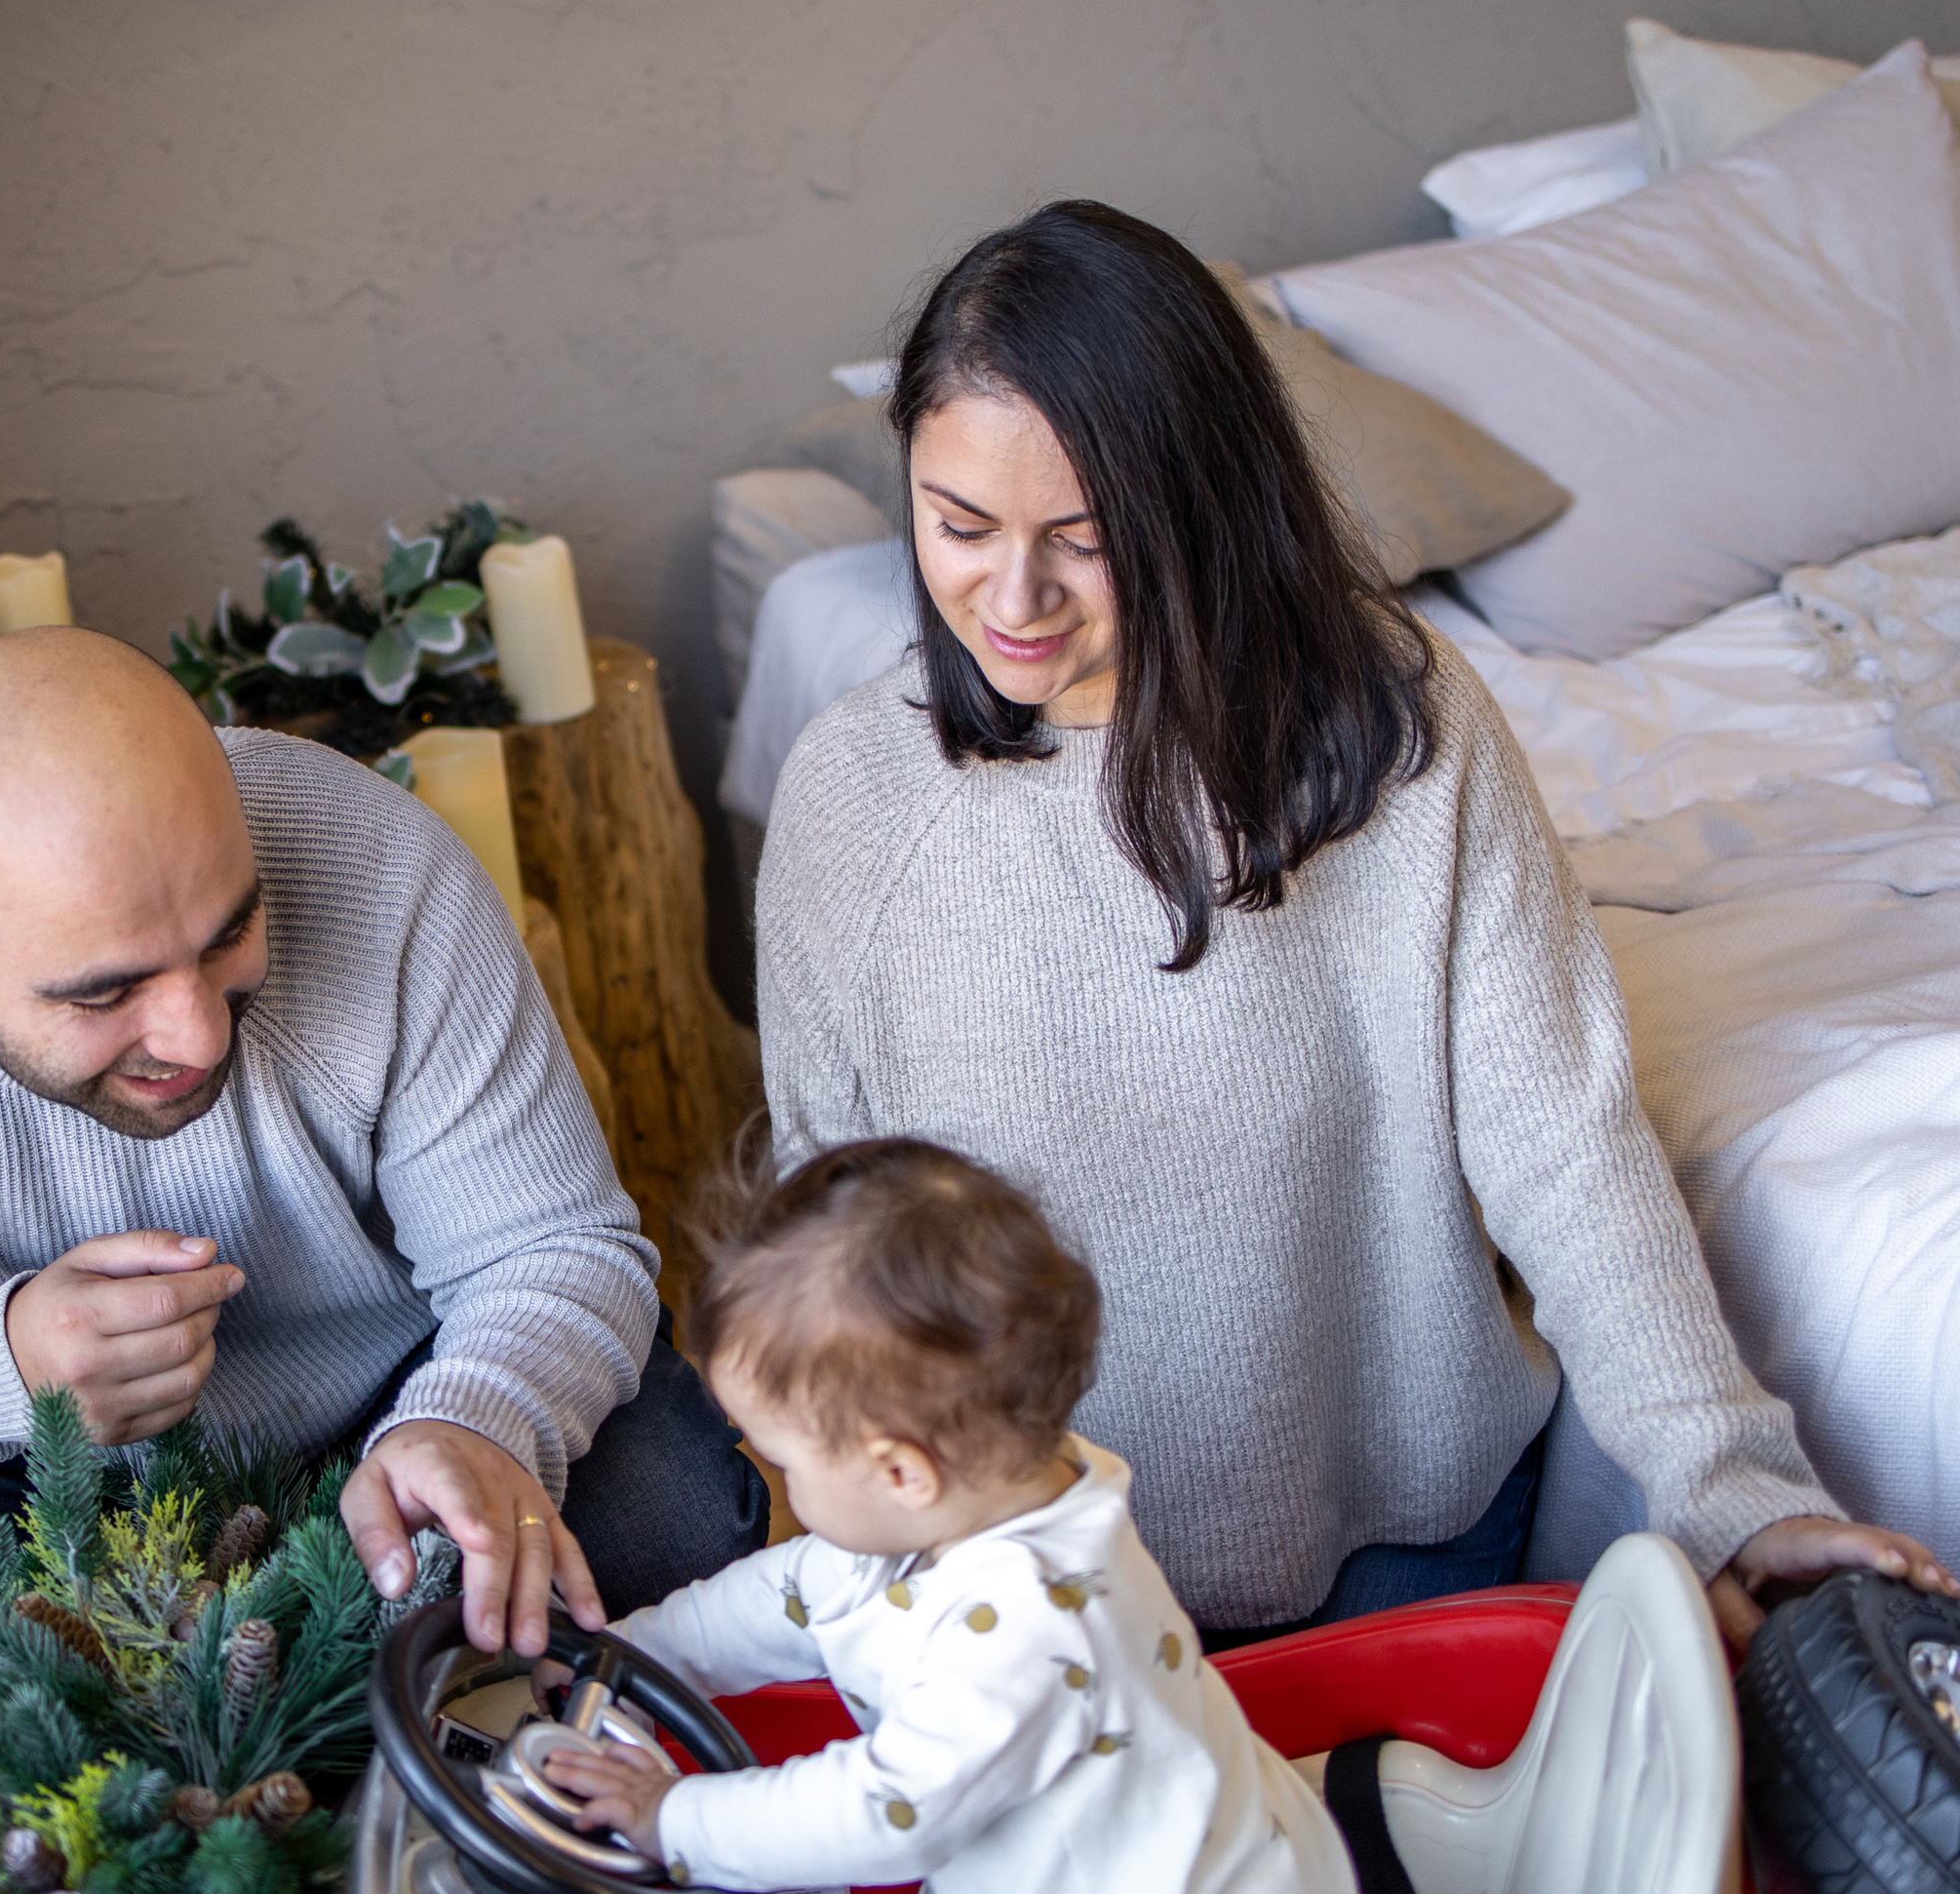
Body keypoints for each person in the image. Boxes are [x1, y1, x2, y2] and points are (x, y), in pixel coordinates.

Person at [751, 201, 1952, 1650]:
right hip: (1029, 1585)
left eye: (1087, 539)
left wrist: (1731, 1490)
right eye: (961, 525)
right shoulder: (852, 798)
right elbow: (841, 1249)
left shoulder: (1399, 720)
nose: (1015, 599)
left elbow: (1562, 1139)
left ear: (1204, 504)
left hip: (1411, 1537)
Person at [0, 628, 763, 1760]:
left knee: (668, 1511)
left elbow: (556, 1245)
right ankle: (266, 1781)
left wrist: (471, 1418)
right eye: (102, 993)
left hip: (391, 1414)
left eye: (230, 929)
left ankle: (372, 1747)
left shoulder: (372, 855)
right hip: (0, 1498)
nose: (195, 1034)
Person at [545, 1137, 1365, 1894]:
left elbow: (885, 1815)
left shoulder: (1024, 1628)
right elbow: (782, 1599)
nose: (777, 1490)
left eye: (779, 1463)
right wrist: (610, 1657)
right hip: (1116, 1888)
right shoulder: (979, 1499)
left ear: (899, 1473)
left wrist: (672, 1819)